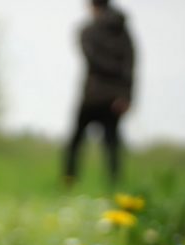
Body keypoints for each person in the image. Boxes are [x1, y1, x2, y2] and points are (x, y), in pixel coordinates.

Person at [64, 0, 135, 188]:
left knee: (76, 142)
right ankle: (114, 185)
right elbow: (130, 65)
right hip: (115, 97)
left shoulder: (87, 31)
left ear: (94, 7)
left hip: (93, 95)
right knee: (111, 143)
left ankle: (69, 181)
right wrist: (126, 96)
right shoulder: (123, 33)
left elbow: (91, 59)